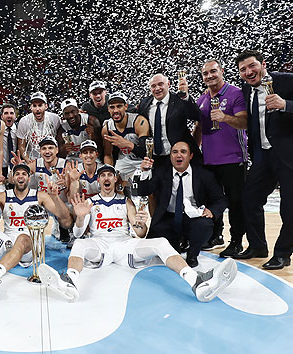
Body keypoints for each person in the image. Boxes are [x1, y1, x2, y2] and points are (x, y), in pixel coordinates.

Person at [38, 164, 237, 303]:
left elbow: (140, 234)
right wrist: (80, 218)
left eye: (110, 175)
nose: (106, 178)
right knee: (80, 245)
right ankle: (70, 282)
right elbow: (79, 234)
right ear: (98, 180)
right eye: (103, 175)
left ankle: (197, 282)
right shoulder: (90, 202)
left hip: (125, 245)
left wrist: (141, 223)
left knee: (159, 242)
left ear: (115, 179)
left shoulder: (126, 201)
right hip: (100, 245)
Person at [234, 49, 293, 270]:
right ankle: (257, 246)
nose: (248, 72)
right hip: (264, 155)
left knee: (291, 207)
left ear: (263, 64)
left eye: (252, 66)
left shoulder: (290, 81)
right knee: (249, 198)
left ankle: (283, 253)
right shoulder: (247, 89)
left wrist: (285, 104)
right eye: (243, 69)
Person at [0, 164, 72, 299]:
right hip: (7, 244)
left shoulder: (40, 195)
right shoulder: (3, 196)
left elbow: (64, 216)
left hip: (29, 247)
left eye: (24, 174)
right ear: (12, 178)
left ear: (29, 179)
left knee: (22, 238)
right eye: (17, 173)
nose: (20, 176)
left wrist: (55, 197)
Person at [137, 141, 228, 268]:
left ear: (190, 156)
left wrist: (212, 211)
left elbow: (221, 200)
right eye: (175, 152)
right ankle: (176, 245)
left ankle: (192, 254)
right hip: (168, 217)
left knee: (204, 225)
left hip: (193, 217)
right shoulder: (162, 172)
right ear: (170, 156)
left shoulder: (204, 175)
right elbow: (143, 191)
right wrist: (145, 172)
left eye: (183, 152)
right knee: (155, 246)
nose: (178, 155)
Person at [193, 59, 248, 256]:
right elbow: (199, 128)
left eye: (213, 71)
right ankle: (216, 235)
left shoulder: (235, 93)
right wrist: (193, 149)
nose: (209, 76)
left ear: (222, 71)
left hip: (233, 158)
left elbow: (244, 122)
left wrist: (225, 117)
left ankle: (237, 241)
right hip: (209, 160)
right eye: (205, 73)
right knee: (212, 202)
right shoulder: (202, 99)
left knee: (235, 202)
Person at [136, 74, 201, 167]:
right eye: (153, 86)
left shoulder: (180, 101)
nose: (157, 88)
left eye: (160, 84)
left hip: (179, 156)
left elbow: (196, 116)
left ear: (168, 84)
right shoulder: (145, 104)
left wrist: (186, 97)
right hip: (156, 158)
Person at [102, 92, 149, 184]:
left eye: (119, 106)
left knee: (147, 188)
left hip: (142, 160)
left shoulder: (139, 121)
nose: (115, 110)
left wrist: (126, 143)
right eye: (112, 107)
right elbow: (108, 154)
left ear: (126, 107)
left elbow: (145, 152)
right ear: (108, 109)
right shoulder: (107, 128)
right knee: (115, 184)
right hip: (124, 160)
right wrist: (108, 171)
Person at [16, 91, 62, 162]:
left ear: (46, 106)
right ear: (31, 107)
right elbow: (21, 146)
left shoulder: (55, 119)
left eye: (40, 105)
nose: (37, 109)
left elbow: (60, 140)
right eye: (34, 106)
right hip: (32, 159)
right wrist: (28, 160)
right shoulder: (24, 121)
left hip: (51, 159)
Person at [57, 98, 100, 162]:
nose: (70, 116)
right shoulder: (62, 129)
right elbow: (60, 156)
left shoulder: (91, 121)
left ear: (78, 110)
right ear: (63, 115)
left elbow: (101, 148)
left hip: (90, 156)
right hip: (72, 159)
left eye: (72, 112)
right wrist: (64, 150)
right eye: (67, 113)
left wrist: (94, 136)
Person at [0, 103, 18, 178]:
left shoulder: (20, 129)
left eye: (11, 113)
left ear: (15, 116)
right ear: (2, 116)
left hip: (16, 165)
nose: (9, 115)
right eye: (6, 113)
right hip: (0, 166)